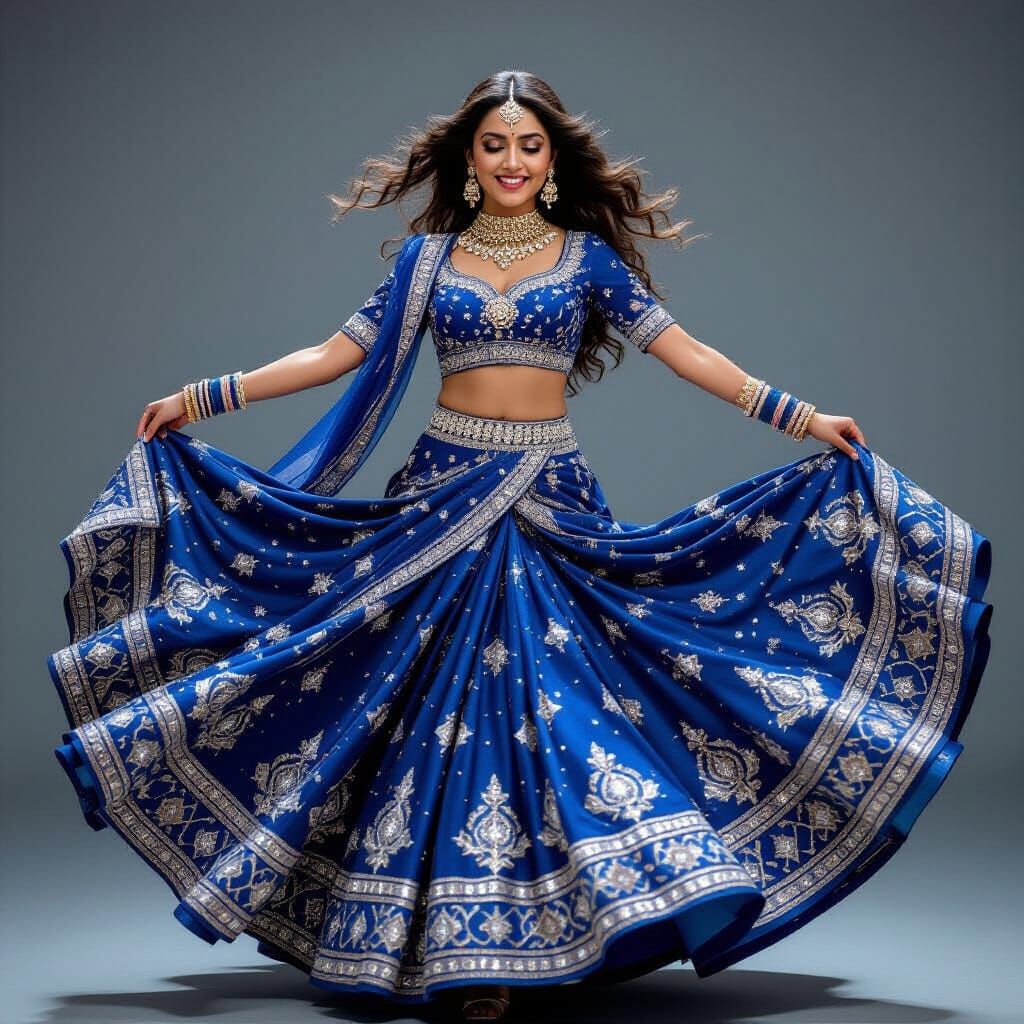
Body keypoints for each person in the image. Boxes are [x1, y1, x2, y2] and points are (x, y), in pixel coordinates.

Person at [46, 70, 993, 1022]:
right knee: (431, 720)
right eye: (494, 145)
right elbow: (335, 354)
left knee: (554, 712)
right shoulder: (426, 263)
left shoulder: (586, 260)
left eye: (529, 146)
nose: (511, 160)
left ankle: (539, 935)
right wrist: (207, 396)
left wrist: (801, 417)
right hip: (441, 501)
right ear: (469, 160)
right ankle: (461, 951)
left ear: (550, 162)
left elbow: (686, 351)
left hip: (551, 502)